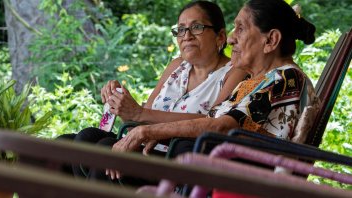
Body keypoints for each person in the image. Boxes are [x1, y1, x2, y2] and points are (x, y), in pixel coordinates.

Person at [107, 0, 319, 185]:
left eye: (241, 29)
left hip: (235, 182)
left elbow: (221, 126)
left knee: (106, 164)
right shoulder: (258, 81)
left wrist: (146, 132)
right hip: (208, 171)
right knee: (101, 152)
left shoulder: (285, 78)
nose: (231, 39)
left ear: (271, 40)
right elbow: (215, 122)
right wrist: (159, 134)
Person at [63, 0, 246, 181]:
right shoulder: (177, 66)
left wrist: (140, 115)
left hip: (175, 158)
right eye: (181, 29)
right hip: (143, 145)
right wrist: (121, 104)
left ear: (220, 37)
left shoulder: (234, 72)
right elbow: (142, 117)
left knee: (103, 152)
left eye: (196, 27)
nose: (186, 36)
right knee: (76, 141)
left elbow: (213, 122)